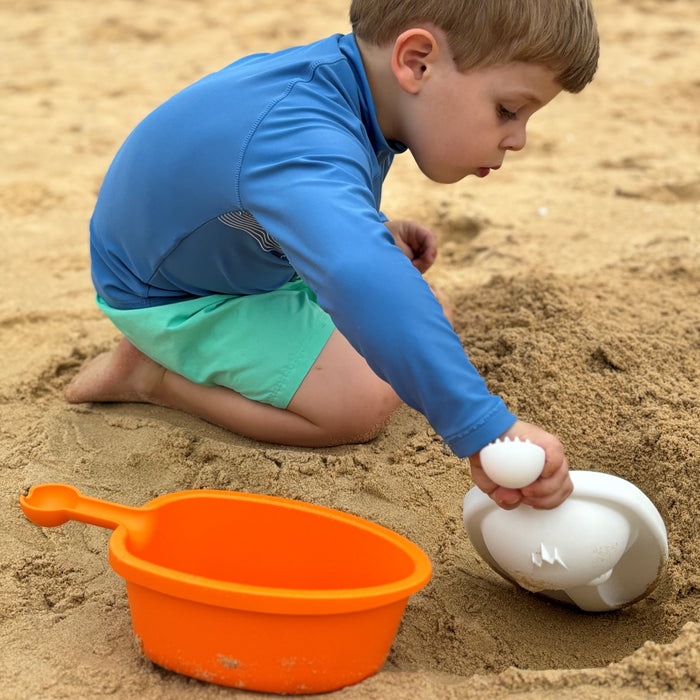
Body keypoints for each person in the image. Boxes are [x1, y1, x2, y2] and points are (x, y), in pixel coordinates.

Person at [66, 0, 599, 511]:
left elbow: (263, 189)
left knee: (419, 311)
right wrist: (486, 428)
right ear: (417, 61)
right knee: (357, 403)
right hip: (172, 294)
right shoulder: (297, 134)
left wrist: (375, 227)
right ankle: (147, 375)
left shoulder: (339, 81)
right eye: (507, 110)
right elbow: (354, 268)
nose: (519, 139)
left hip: (232, 255)